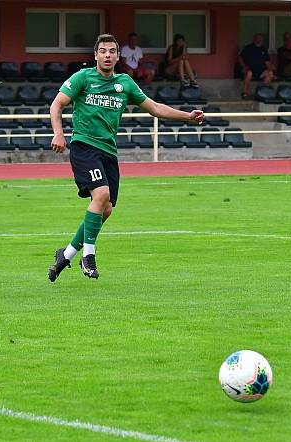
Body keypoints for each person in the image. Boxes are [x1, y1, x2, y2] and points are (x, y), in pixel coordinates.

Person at [47, 34, 204, 281]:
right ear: (95, 55)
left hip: (109, 152)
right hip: (84, 146)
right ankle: (88, 256)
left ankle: (66, 254)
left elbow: (155, 108)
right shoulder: (83, 78)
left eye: (112, 51)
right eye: (103, 51)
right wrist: (59, 133)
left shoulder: (125, 83)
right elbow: (57, 105)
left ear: (118, 56)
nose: (108, 55)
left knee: (105, 210)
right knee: (101, 195)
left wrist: (187, 116)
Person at [239, 33, 275, 99]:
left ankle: (264, 92)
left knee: (270, 73)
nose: (259, 39)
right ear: (254, 39)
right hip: (249, 69)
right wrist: (244, 66)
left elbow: (267, 62)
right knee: (249, 73)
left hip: (260, 71)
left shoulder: (264, 49)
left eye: (260, 38)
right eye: (257, 38)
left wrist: (271, 69)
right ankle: (245, 93)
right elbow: (240, 58)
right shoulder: (248, 47)